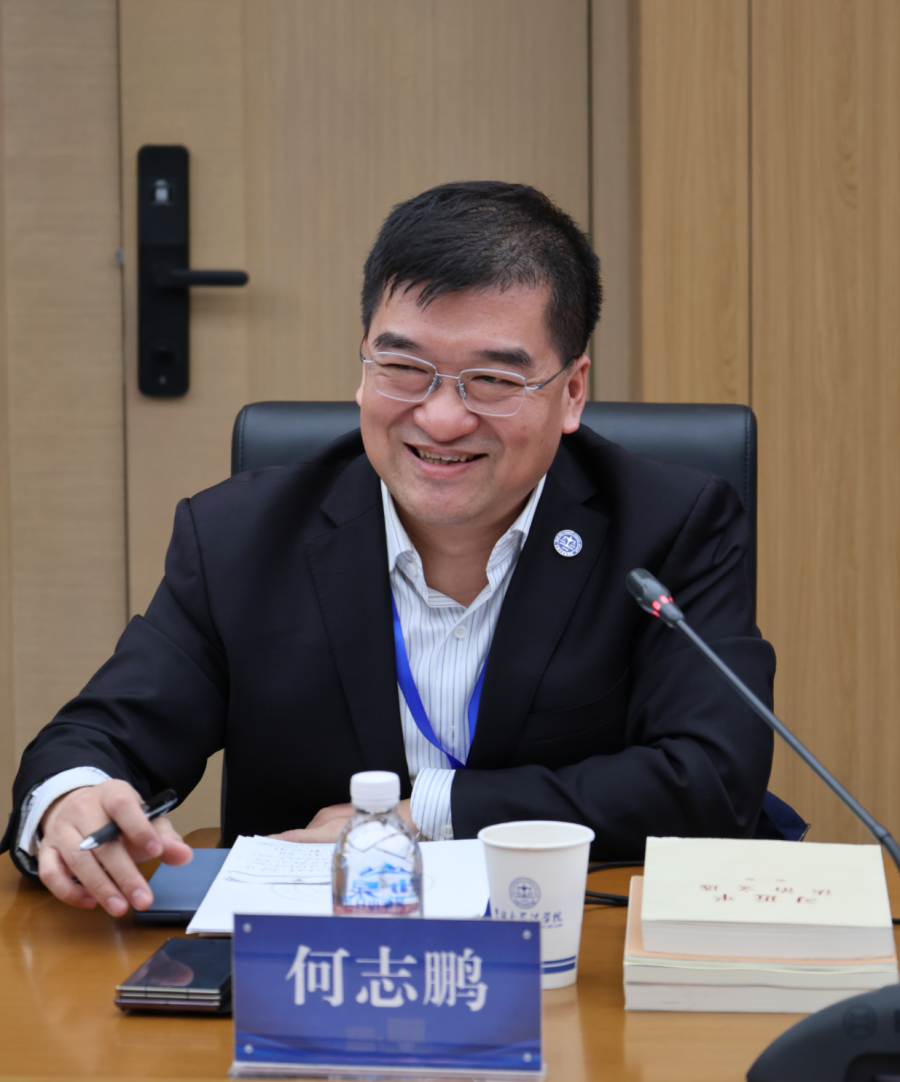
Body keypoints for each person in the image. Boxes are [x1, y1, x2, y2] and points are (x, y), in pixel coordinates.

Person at [1, 181, 775, 918]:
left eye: (491, 380)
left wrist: (421, 816)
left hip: (570, 944)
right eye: (404, 370)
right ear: (364, 365)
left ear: (571, 391)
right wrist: (70, 801)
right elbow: (101, 736)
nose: (440, 419)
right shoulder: (241, 536)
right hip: (313, 961)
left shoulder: (669, 527)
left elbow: (712, 777)